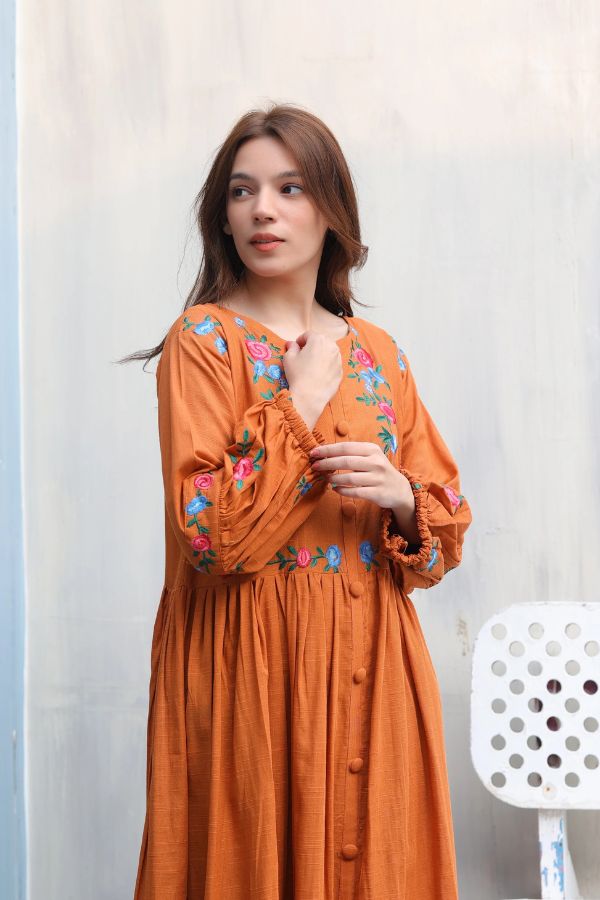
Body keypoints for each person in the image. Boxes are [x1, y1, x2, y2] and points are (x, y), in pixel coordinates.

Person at [122, 102, 472, 899]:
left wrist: (401, 497)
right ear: (223, 215)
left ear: (332, 210)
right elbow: (211, 537)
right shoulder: (204, 343)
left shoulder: (381, 355)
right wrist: (301, 403)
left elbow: (444, 528)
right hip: (248, 671)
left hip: (375, 665)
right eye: (242, 192)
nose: (263, 210)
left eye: (289, 187)